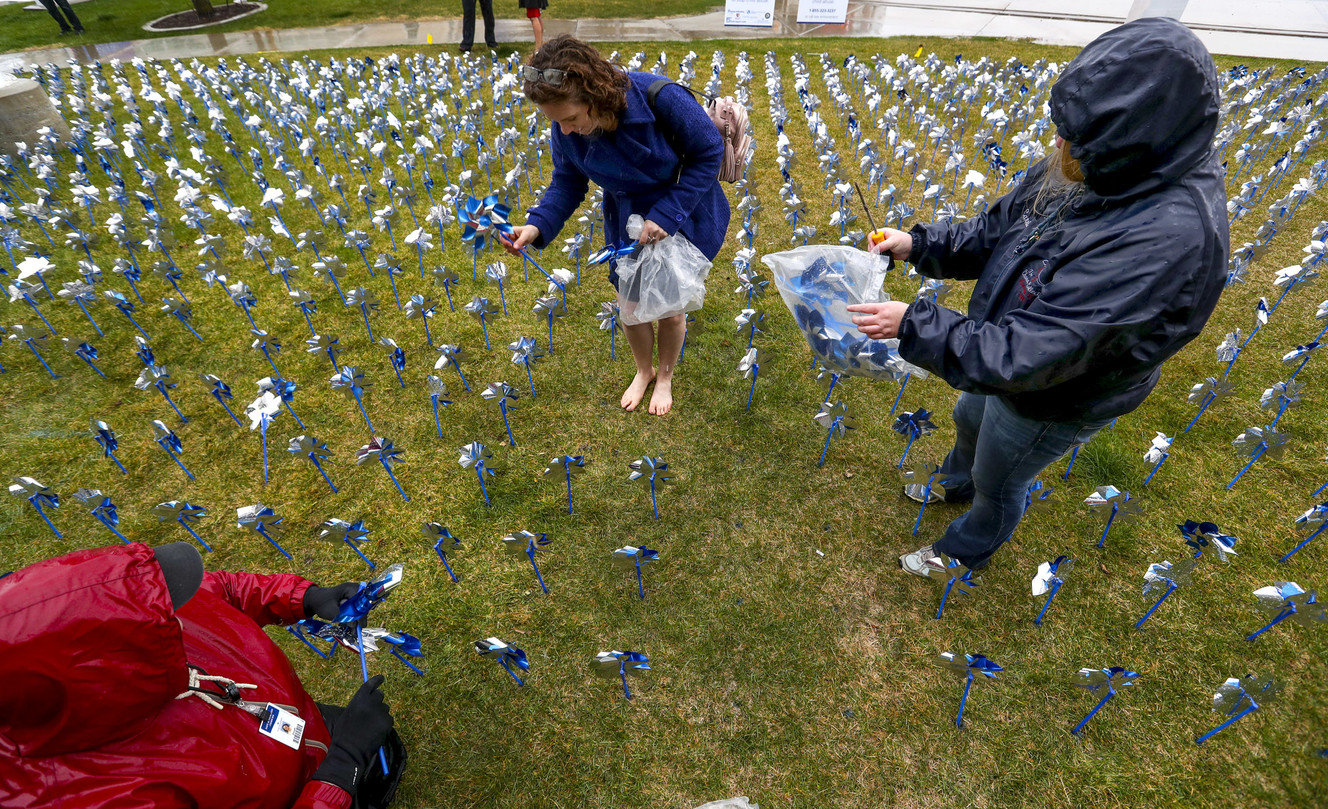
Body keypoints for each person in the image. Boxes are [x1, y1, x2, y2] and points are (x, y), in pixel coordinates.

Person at [847, 16, 1228, 578]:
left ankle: (964, 548)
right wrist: (919, 244)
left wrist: (914, 325)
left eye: (1074, 135)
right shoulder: (1099, 159)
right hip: (1000, 351)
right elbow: (1001, 228)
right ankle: (952, 479)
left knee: (1001, 476)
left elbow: (1036, 353)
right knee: (970, 416)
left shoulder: (1164, 241)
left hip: (1056, 394)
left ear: (1132, 141)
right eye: (1066, 127)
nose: (1059, 143)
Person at [0, 542, 402, 808]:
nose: (175, 612)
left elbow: (216, 592)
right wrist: (340, 772)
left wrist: (305, 597)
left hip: (286, 728)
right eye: (161, 620)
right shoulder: (101, 795)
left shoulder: (145, 606)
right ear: (109, 674)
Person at [502, 35, 730, 415]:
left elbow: (708, 153)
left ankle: (667, 375)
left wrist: (667, 214)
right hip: (627, 219)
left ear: (595, 96)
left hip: (682, 208)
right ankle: (644, 370)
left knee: (671, 309)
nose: (566, 130)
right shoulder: (565, 128)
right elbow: (567, 181)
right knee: (630, 304)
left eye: (571, 119)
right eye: (557, 123)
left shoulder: (661, 97)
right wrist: (536, 226)